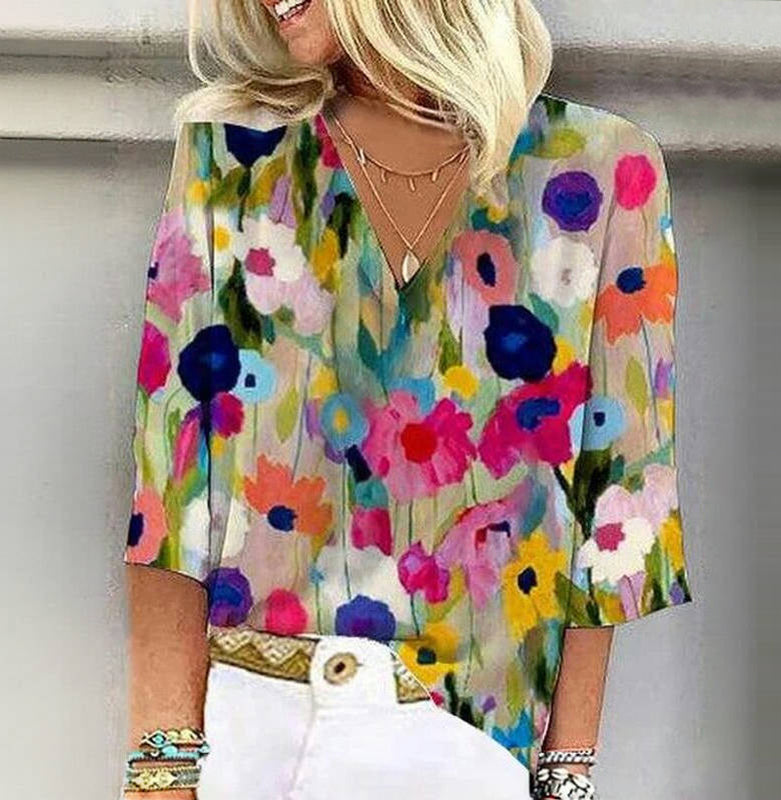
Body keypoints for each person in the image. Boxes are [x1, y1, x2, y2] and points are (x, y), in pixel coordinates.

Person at [121, 1, 693, 798]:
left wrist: (567, 776)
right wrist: (160, 772)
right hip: (251, 728)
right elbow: (172, 490)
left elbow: (616, 513)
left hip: (466, 745)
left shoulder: (600, 170)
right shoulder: (233, 156)